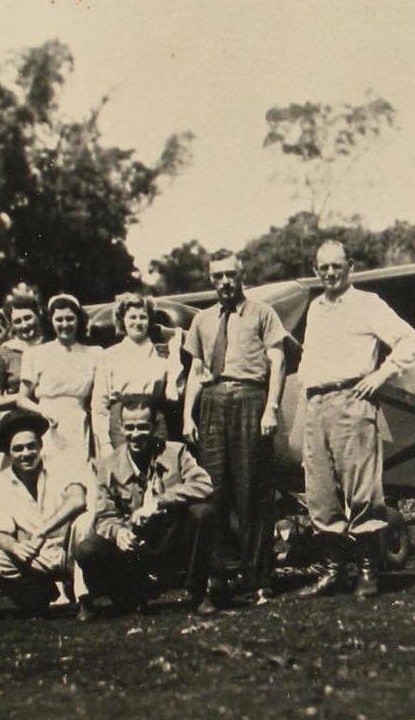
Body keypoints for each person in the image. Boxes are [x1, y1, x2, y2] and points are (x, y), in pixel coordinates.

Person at [296, 240, 415, 599]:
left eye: (337, 266)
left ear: (349, 266)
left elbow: (408, 340)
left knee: (361, 491)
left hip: (354, 401)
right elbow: (308, 356)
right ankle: (333, 571)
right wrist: (307, 385)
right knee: (319, 493)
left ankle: (368, 571)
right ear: (315, 269)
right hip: (317, 405)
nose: (330, 273)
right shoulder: (315, 309)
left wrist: (380, 376)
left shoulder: (368, 304)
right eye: (323, 267)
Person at [182, 253, 289, 601]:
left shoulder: (262, 313)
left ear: (242, 274)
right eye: (218, 276)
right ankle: (219, 576)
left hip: (250, 400)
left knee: (252, 493)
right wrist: (187, 416)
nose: (225, 281)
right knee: (213, 492)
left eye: (231, 274)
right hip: (213, 402)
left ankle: (258, 578)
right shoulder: (201, 320)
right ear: (210, 279)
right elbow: (196, 373)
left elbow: (278, 362)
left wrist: (271, 407)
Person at [74, 395, 214, 618]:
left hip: (171, 538)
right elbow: (104, 515)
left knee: (202, 512)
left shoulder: (176, 452)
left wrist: (160, 500)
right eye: (129, 427)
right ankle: (128, 595)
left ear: (155, 426)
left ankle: (199, 594)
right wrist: (118, 532)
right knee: (87, 550)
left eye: (142, 427)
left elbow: (204, 485)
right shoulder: (108, 466)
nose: (136, 434)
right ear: (120, 427)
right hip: (135, 546)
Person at [0, 411, 91, 616]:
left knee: (85, 522)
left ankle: (85, 599)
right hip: (34, 558)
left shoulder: (59, 466)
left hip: (67, 552)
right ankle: (39, 594)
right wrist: (15, 547)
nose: (26, 453)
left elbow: (77, 499)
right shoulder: (0, 483)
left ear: (40, 446)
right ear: (9, 454)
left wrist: (42, 532)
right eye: (18, 449)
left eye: (31, 446)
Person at [17, 294, 100, 476]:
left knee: (81, 475)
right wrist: (42, 411)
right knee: (51, 475)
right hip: (46, 424)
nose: (65, 324)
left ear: (79, 319)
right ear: (50, 321)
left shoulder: (94, 353)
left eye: (70, 318)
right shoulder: (35, 354)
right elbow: (21, 399)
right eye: (59, 319)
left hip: (79, 424)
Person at [91, 292, 179, 460]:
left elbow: (173, 390)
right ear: (122, 320)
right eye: (132, 317)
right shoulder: (109, 355)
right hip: (120, 422)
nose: (138, 322)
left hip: (154, 419)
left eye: (143, 317)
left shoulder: (163, 353)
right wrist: (104, 442)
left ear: (150, 321)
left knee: (158, 469)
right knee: (124, 473)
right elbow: (99, 404)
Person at [0, 287, 43, 474]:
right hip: (21, 425)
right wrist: (21, 398)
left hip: (52, 420)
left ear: (38, 315)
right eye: (17, 321)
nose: (24, 325)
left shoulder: (52, 346)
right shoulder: (2, 354)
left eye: (28, 318)